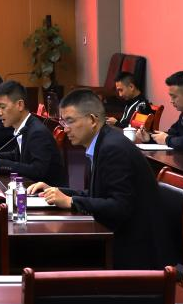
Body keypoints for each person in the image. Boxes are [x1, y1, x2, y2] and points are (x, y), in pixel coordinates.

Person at [29, 89, 170, 270]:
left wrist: (71, 201)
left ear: (92, 120)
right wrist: (57, 191)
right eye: (63, 122)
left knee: (50, 258)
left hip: (135, 253)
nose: (65, 128)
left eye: (70, 121)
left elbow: (120, 206)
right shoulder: (103, 142)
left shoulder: (113, 149)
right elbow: (99, 194)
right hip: (120, 239)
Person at [0, 80, 67, 185]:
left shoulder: (37, 132)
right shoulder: (26, 126)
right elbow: (15, 156)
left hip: (48, 192)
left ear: (20, 105)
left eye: (2, 107)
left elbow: (37, 171)